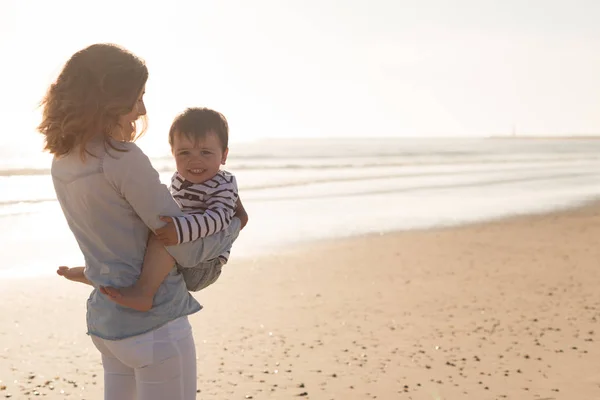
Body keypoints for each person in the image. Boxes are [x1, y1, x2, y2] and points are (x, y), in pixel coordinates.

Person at [39, 43, 247, 400]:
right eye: (137, 97)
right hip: (156, 327)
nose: (142, 109)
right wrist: (235, 224)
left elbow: (111, 241)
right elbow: (181, 243)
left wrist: (90, 272)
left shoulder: (62, 162)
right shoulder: (121, 157)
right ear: (111, 98)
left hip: (108, 323)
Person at [59, 107, 241, 312]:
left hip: (205, 264)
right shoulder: (180, 180)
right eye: (184, 153)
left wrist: (179, 230)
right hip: (186, 248)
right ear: (173, 154)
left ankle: (143, 292)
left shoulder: (223, 184)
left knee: (161, 234)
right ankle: (100, 275)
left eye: (205, 152)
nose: (195, 160)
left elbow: (220, 218)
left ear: (224, 155)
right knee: (146, 229)